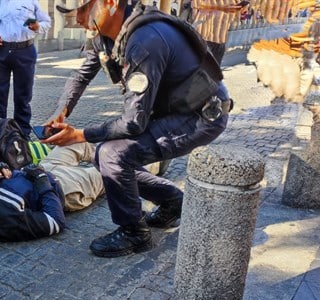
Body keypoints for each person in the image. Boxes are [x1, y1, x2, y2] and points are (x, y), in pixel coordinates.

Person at [42, 1, 231, 258]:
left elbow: (133, 122)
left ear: (109, 3)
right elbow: (81, 75)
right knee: (104, 154)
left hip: (201, 116)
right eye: (73, 14)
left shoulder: (145, 41)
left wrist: (80, 135)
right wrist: (62, 110)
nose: (78, 19)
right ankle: (173, 201)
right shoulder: (106, 35)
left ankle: (134, 233)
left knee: (112, 153)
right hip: (173, 111)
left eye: (84, 10)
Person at [0, 0, 52, 137]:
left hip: (25, 51)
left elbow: (46, 22)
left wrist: (37, 26)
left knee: (23, 96)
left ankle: (23, 135)